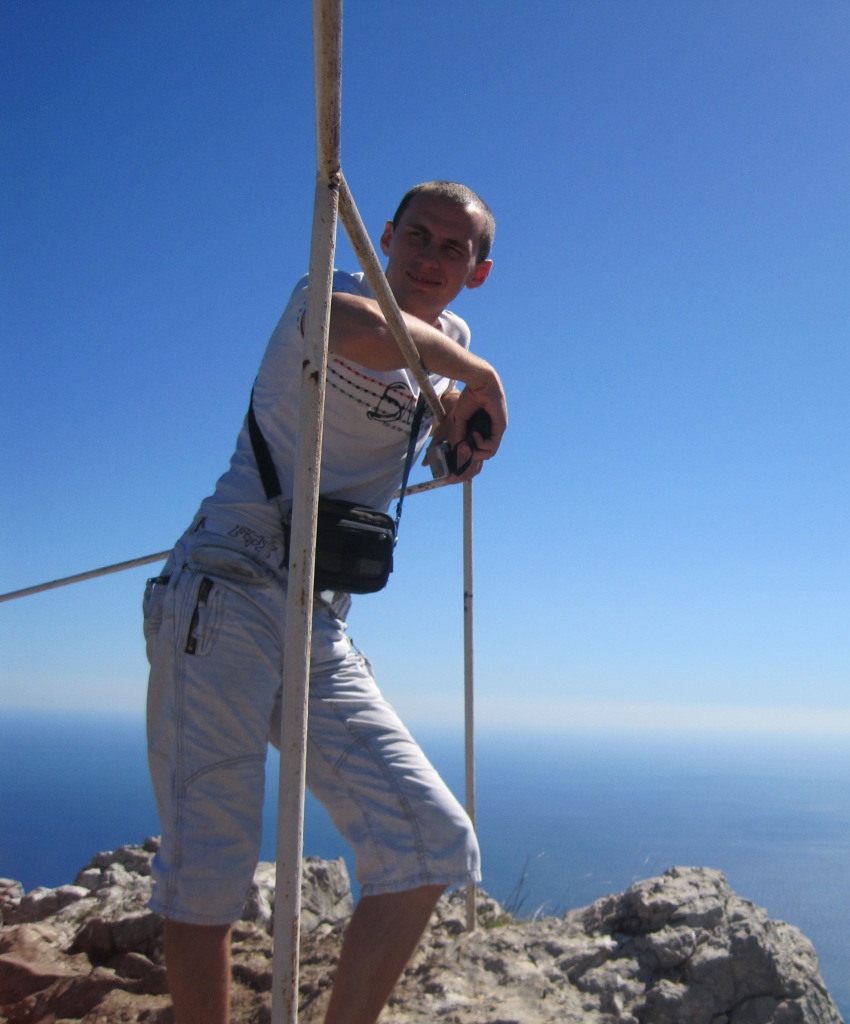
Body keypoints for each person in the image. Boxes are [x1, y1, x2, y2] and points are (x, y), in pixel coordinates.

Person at [143, 180, 508, 1024]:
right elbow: (372, 336)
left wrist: (463, 440)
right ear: (385, 235)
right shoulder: (329, 287)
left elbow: (438, 440)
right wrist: (483, 377)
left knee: (432, 843)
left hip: (317, 617)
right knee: (209, 875)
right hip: (226, 587)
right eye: (417, 236)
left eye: (454, 248)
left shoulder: (451, 342)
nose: (430, 257)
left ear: (477, 272)